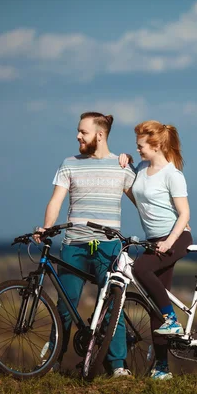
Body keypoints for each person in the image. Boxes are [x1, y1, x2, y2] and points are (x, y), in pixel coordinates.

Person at [34, 112, 136, 377]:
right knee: (64, 308)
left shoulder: (121, 166)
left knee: (114, 307)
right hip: (74, 245)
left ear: (100, 135)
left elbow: (142, 201)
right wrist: (46, 228)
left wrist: (174, 226)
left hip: (109, 246)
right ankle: (53, 362)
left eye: (83, 132)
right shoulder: (69, 164)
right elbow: (56, 201)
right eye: (78, 132)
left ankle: (118, 366)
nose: (78, 136)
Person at [119, 120, 193, 380]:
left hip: (176, 238)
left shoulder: (173, 175)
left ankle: (172, 318)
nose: (137, 149)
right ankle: (162, 368)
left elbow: (184, 214)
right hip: (154, 240)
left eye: (140, 146)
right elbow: (137, 199)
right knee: (154, 305)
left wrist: (169, 242)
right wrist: (126, 165)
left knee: (141, 269)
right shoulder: (140, 168)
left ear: (157, 145)